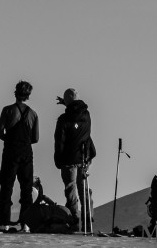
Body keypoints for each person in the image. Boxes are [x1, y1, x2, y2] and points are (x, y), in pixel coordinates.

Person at [0, 81, 39, 232]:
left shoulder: (7, 110)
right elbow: (35, 138)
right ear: (28, 95)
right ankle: (26, 223)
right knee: (26, 189)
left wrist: (10, 140)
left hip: (10, 152)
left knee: (6, 187)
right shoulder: (33, 114)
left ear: (15, 93)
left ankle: (3, 222)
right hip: (26, 153)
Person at [54, 88, 96, 229]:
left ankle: (74, 221)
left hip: (68, 160)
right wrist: (68, 104)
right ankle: (88, 221)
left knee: (70, 189)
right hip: (84, 158)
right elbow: (77, 115)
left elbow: (59, 142)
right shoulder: (87, 116)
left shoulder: (63, 119)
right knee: (84, 189)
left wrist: (58, 160)